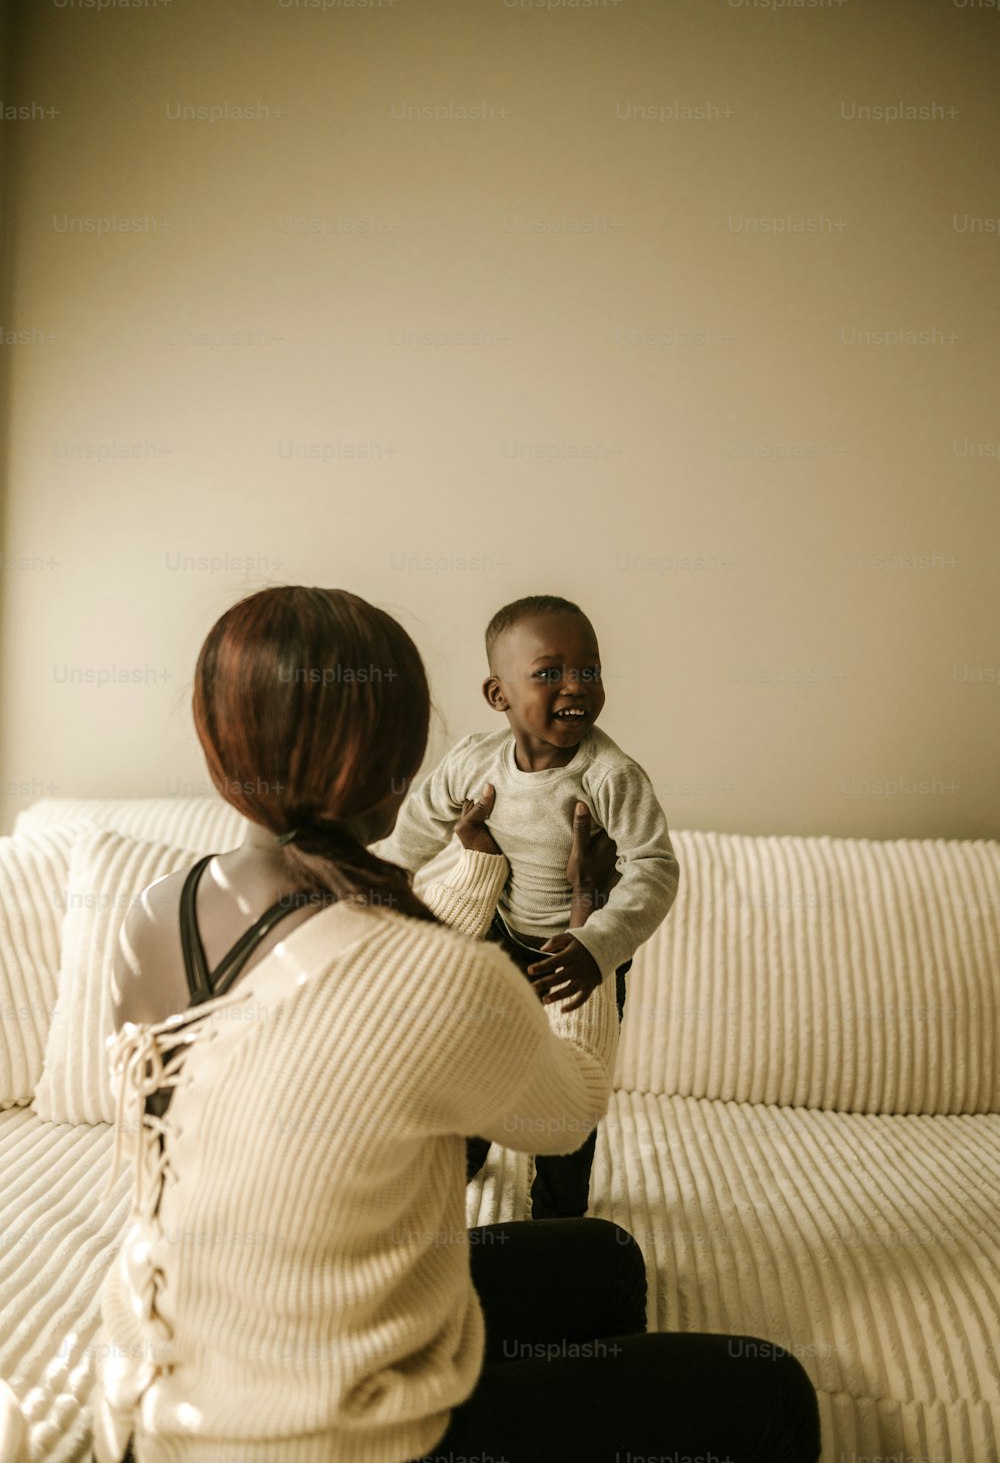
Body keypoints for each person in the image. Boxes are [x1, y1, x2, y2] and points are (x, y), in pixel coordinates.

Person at [91, 584, 820, 1463]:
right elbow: (575, 1104)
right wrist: (591, 926)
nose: (572, 686)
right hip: (330, 1440)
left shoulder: (153, 910)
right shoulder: (431, 972)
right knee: (772, 1389)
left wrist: (496, 895)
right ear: (404, 766)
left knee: (608, 1258)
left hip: (156, 1387)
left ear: (218, 743)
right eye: (547, 672)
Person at [374, 593, 679, 1218]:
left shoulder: (609, 775)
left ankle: (558, 1212)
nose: (576, 687)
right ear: (498, 695)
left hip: (580, 949)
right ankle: (465, 1153)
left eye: (589, 671)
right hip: (505, 934)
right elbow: (418, 823)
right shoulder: (474, 762)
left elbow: (656, 867)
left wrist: (601, 943)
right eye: (549, 673)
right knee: (479, 1051)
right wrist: (378, 885)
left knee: (569, 1081)